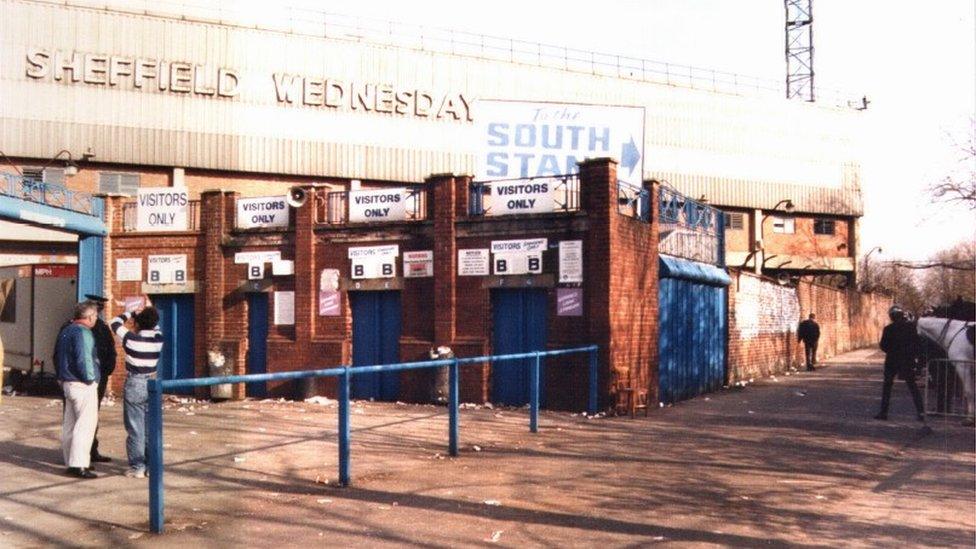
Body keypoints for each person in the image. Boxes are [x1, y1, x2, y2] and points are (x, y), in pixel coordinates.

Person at [111, 298, 164, 478]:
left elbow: (114, 322)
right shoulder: (159, 339)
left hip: (135, 383)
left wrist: (131, 313)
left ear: (138, 323)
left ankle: (137, 467)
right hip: (153, 382)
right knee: (150, 426)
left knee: (135, 427)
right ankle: (151, 466)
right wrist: (148, 308)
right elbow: (155, 323)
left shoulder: (131, 339)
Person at [54, 301, 101, 479]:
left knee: (70, 425)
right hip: (82, 384)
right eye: (95, 316)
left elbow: (58, 356)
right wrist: (91, 379)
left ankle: (70, 461)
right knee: (85, 426)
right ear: (89, 317)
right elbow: (84, 360)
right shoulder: (84, 333)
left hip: (67, 382)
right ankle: (79, 464)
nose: (96, 319)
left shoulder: (66, 330)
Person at [83, 294, 118, 464]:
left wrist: (108, 370)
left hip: (100, 376)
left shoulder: (103, 327)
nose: (99, 312)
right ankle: (81, 455)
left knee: (93, 415)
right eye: (98, 309)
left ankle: (92, 450)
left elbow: (110, 348)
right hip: (83, 379)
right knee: (83, 418)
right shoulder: (77, 328)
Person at [875, 305, 925, 421]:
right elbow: (918, 344)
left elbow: (883, 346)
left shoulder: (888, 329)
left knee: (887, 386)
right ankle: (921, 412)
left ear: (891, 316)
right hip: (907, 361)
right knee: (912, 386)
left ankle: (883, 413)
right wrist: (914, 357)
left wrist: (892, 351)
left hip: (892, 360)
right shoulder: (911, 328)